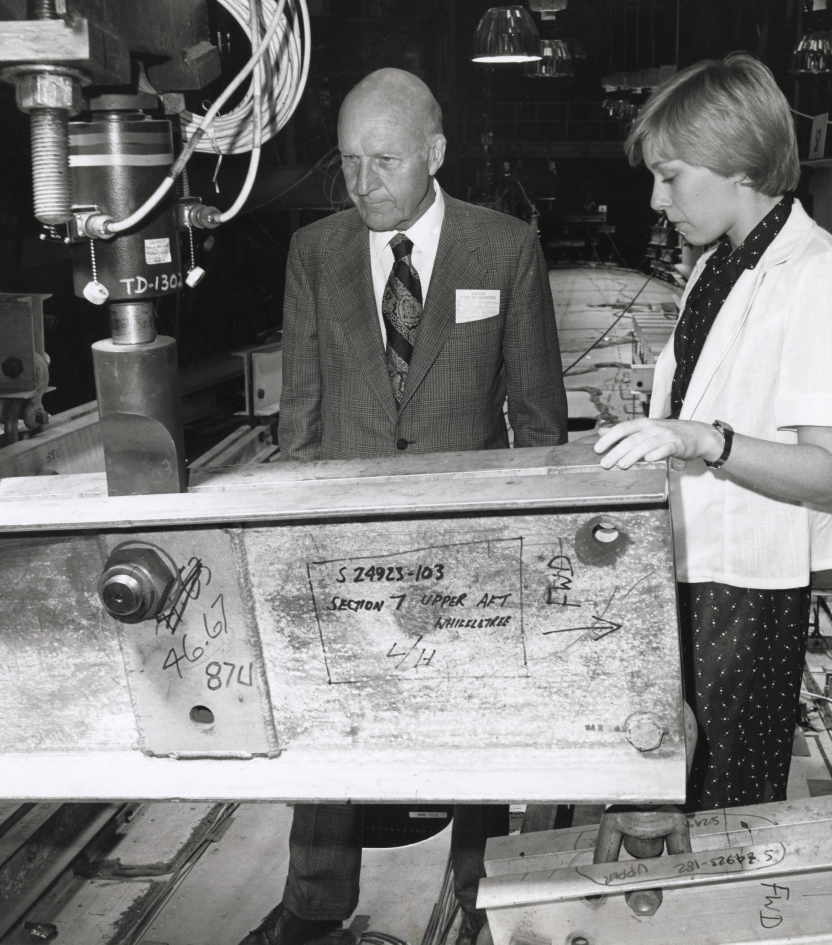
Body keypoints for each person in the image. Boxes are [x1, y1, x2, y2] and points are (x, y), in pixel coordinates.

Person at [239, 69, 568, 945]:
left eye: (383, 159)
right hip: (345, 539)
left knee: (478, 725)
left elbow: (538, 417)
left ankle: (482, 887)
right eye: (347, 161)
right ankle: (313, 902)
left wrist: (534, 542)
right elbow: (300, 415)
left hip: (472, 543)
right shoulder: (315, 252)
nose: (362, 181)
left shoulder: (504, 249)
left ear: (434, 153)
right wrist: (294, 534)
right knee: (329, 716)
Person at [594, 53, 832, 811]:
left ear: (740, 164)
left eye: (672, 175)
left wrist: (703, 438)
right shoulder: (721, 263)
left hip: (745, 592)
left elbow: (827, 471)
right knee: (662, 790)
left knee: (722, 811)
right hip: (690, 566)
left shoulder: (818, 274)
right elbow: (716, 390)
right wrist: (655, 418)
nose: (657, 199)